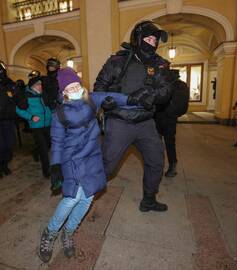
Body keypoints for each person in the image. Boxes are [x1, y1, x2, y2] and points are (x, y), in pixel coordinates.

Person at [38, 67, 142, 262]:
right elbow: (57, 142)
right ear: (63, 92)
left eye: (76, 85)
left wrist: (134, 100)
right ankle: (50, 233)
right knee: (72, 198)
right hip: (72, 158)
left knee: (88, 198)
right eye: (69, 88)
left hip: (93, 156)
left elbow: (113, 96)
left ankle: (68, 233)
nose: (74, 89)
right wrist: (55, 166)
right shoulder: (59, 114)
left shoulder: (91, 99)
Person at [93, 20, 170, 212]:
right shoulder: (117, 62)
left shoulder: (159, 64)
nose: (152, 42)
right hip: (120, 122)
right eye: (149, 38)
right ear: (137, 38)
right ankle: (81, 196)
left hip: (146, 123)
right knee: (107, 166)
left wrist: (151, 96)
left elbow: (166, 89)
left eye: (155, 39)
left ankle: (149, 200)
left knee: (156, 161)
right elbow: (99, 87)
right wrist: (105, 101)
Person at [154, 69, 189, 177]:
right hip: (171, 118)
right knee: (170, 143)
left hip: (159, 116)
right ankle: (172, 167)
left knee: (157, 144)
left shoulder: (163, 84)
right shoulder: (182, 85)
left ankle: (157, 166)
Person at [16, 75, 52, 177]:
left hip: (48, 124)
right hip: (36, 126)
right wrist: (31, 117)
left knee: (48, 144)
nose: (40, 86)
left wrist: (54, 115)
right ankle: (46, 171)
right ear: (31, 86)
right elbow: (18, 110)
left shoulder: (43, 94)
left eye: (41, 84)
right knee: (44, 149)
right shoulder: (26, 96)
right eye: (37, 84)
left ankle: (35, 152)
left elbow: (49, 107)